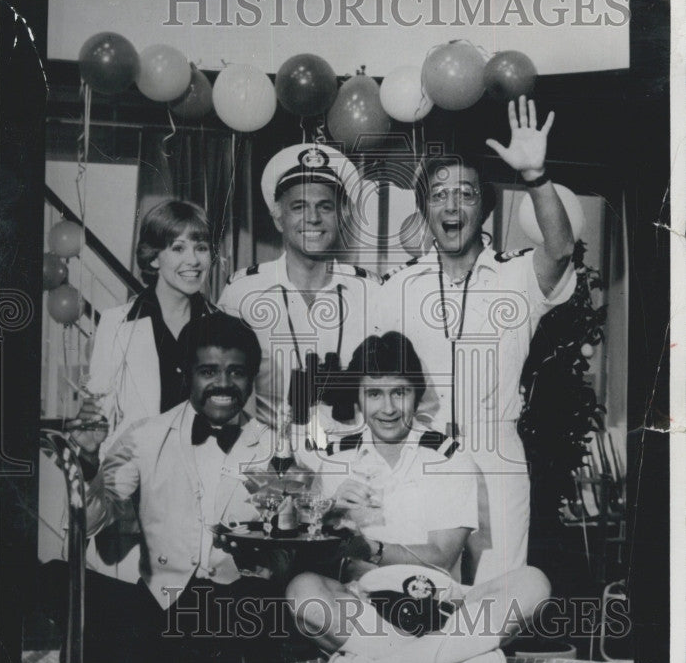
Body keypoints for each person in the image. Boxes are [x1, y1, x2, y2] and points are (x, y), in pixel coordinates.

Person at [376, 97, 576, 582]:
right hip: (421, 455)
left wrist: (536, 176)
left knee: (495, 596)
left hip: (496, 456)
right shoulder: (397, 288)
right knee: (418, 594)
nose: (451, 205)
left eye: (465, 194)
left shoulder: (516, 277)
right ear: (424, 208)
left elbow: (561, 248)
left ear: (484, 207)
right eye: (438, 195)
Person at [284, 331, 551, 663]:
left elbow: (441, 557)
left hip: (443, 606)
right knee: (302, 592)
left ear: (417, 392)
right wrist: (328, 516)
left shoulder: (448, 457)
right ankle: (458, 660)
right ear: (359, 398)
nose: (388, 408)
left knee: (533, 583)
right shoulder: (334, 457)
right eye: (374, 394)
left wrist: (370, 549)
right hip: (366, 607)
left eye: (400, 392)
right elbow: (315, 555)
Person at [39, 311, 291, 663]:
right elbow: (90, 521)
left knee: (262, 612)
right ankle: (200, 661)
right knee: (51, 578)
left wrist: (269, 548)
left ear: (251, 379)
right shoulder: (145, 437)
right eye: (208, 372)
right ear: (185, 375)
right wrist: (88, 463)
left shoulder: (273, 446)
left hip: (235, 602)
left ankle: (117, 652)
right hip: (161, 599)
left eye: (236, 373)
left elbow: (286, 543)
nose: (223, 384)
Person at [67, 198, 215, 575]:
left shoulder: (223, 328)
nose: (194, 260)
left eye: (201, 247)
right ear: (153, 258)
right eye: (178, 248)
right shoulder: (117, 324)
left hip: (201, 505)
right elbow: (100, 412)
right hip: (132, 508)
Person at [218, 142, 381, 446]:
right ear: (278, 217)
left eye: (325, 206)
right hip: (268, 456)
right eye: (299, 207)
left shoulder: (371, 291)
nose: (313, 218)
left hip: (351, 457)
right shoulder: (242, 293)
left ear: (341, 216)